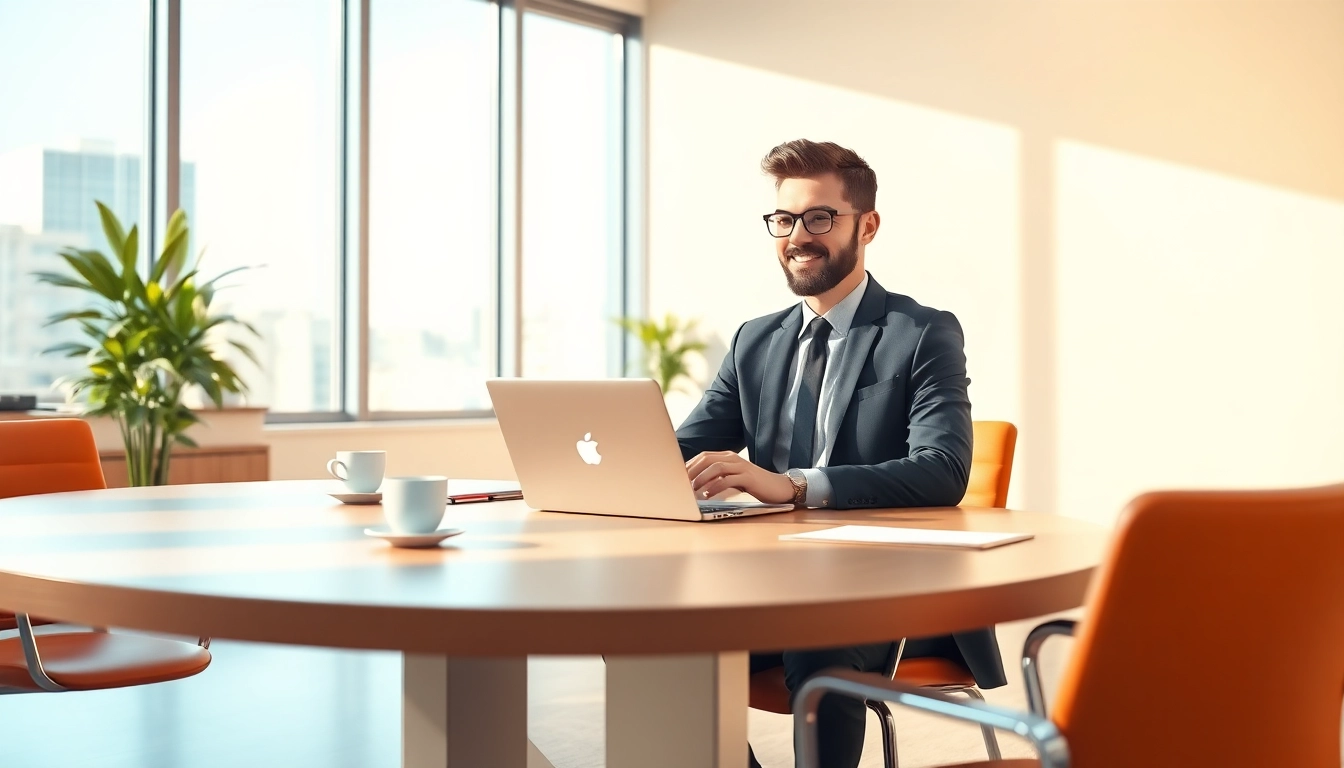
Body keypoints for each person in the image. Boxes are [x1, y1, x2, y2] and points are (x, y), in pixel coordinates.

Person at [675, 139, 1006, 768]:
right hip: (766, 585)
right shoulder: (755, 340)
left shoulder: (922, 332)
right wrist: (612, 463)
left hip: (882, 593)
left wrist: (794, 484)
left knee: (815, 645)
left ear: (868, 225)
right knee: (654, 639)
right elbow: (686, 447)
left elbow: (943, 470)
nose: (798, 236)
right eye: (784, 219)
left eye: (820, 218)